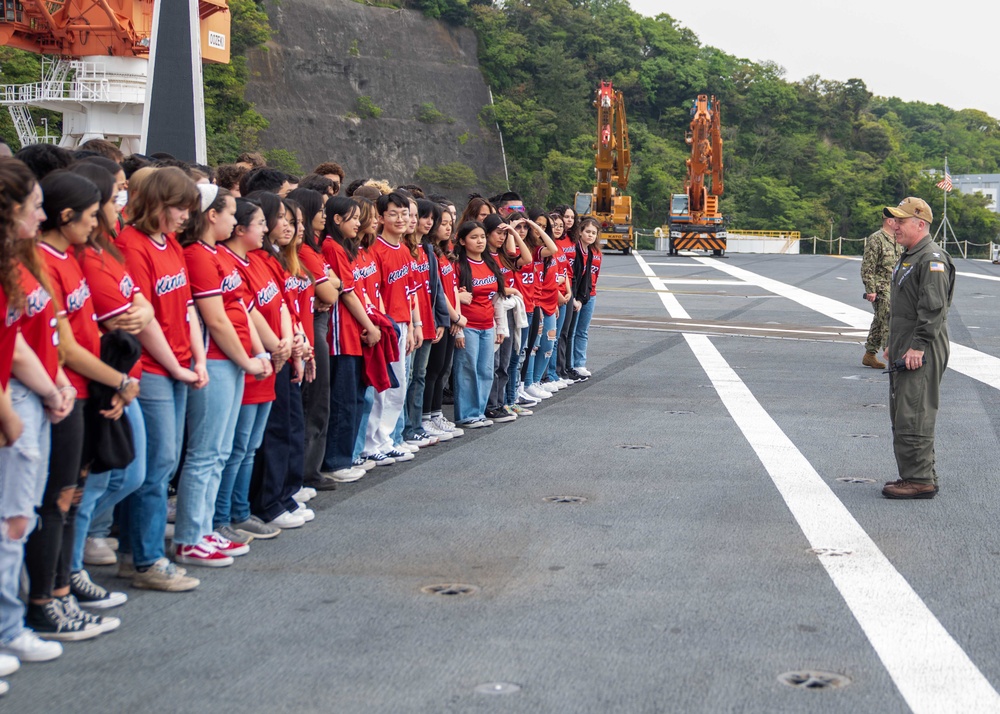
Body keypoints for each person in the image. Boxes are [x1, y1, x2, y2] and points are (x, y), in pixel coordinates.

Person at [880, 197, 955, 500]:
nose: (894, 225)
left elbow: (933, 307)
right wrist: (892, 343)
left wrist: (917, 346)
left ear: (920, 224)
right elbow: (905, 306)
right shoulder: (910, 255)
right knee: (904, 410)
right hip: (907, 344)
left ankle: (920, 479)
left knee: (915, 412)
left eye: (901, 220)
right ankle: (915, 473)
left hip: (921, 347)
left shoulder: (931, 258)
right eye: (894, 220)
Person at [860, 215, 901, 370]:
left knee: (880, 320)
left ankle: (869, 354)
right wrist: (870, 289)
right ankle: (891, 356)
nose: (899, 224)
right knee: (887, 320)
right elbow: (867, 266)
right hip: (881, 288)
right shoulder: (876, 239)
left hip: (895, 287)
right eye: (897, 221)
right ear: (889, 221)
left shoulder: (897, 238)